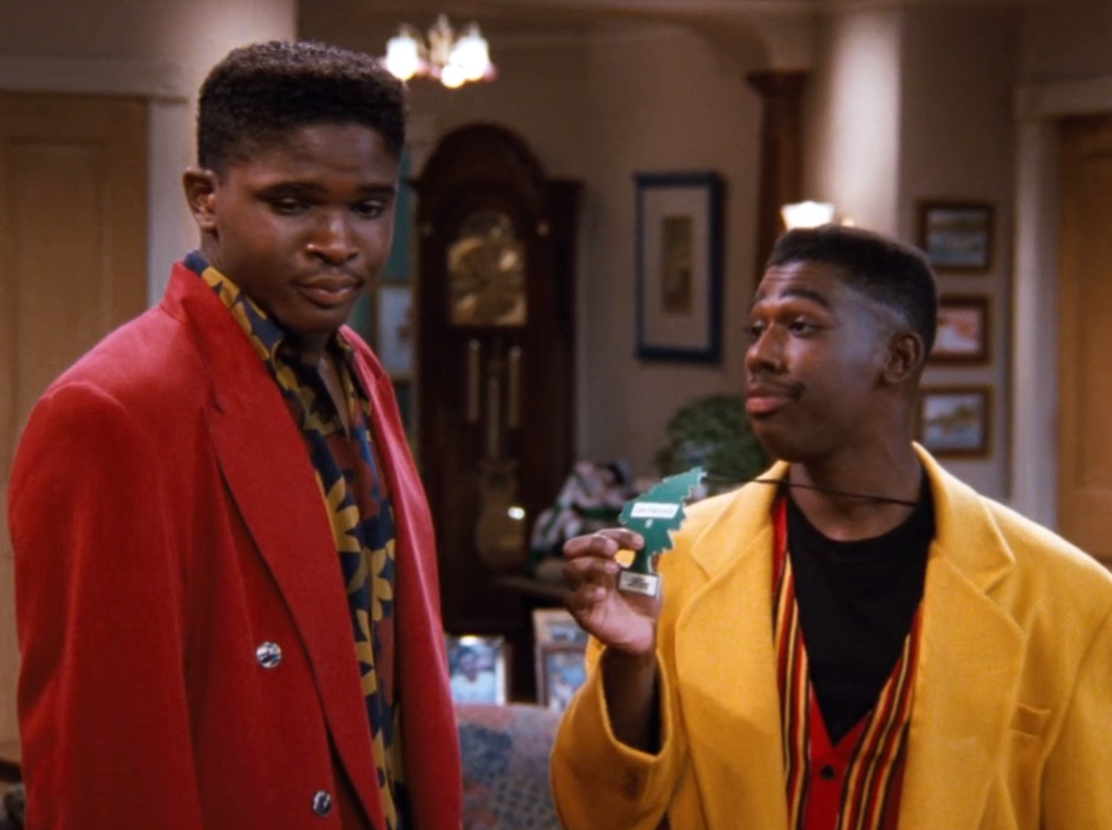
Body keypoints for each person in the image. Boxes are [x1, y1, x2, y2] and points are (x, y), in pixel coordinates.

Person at [8, 41, 461, 830]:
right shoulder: (111, 410)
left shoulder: (360, 371)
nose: (338, 241)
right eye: (292, 203)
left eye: (368, 207)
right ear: (206, 198)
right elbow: (104, 762)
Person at [552, 225, 1112, 830]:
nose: (761, 355)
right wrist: (630, 666)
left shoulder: (1069, 599)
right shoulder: (669, 561)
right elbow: (596, 816)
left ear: (898, 358)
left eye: (800, 326)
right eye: (756, 328)